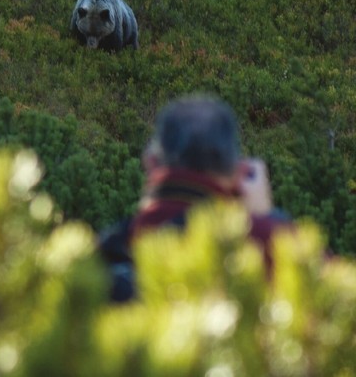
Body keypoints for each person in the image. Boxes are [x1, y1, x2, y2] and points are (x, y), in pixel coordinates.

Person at [99, 93, 292, 302]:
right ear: (240, 173)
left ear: (151, 163)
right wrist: (264, 219)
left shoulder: (101, 256)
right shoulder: (275, 250)